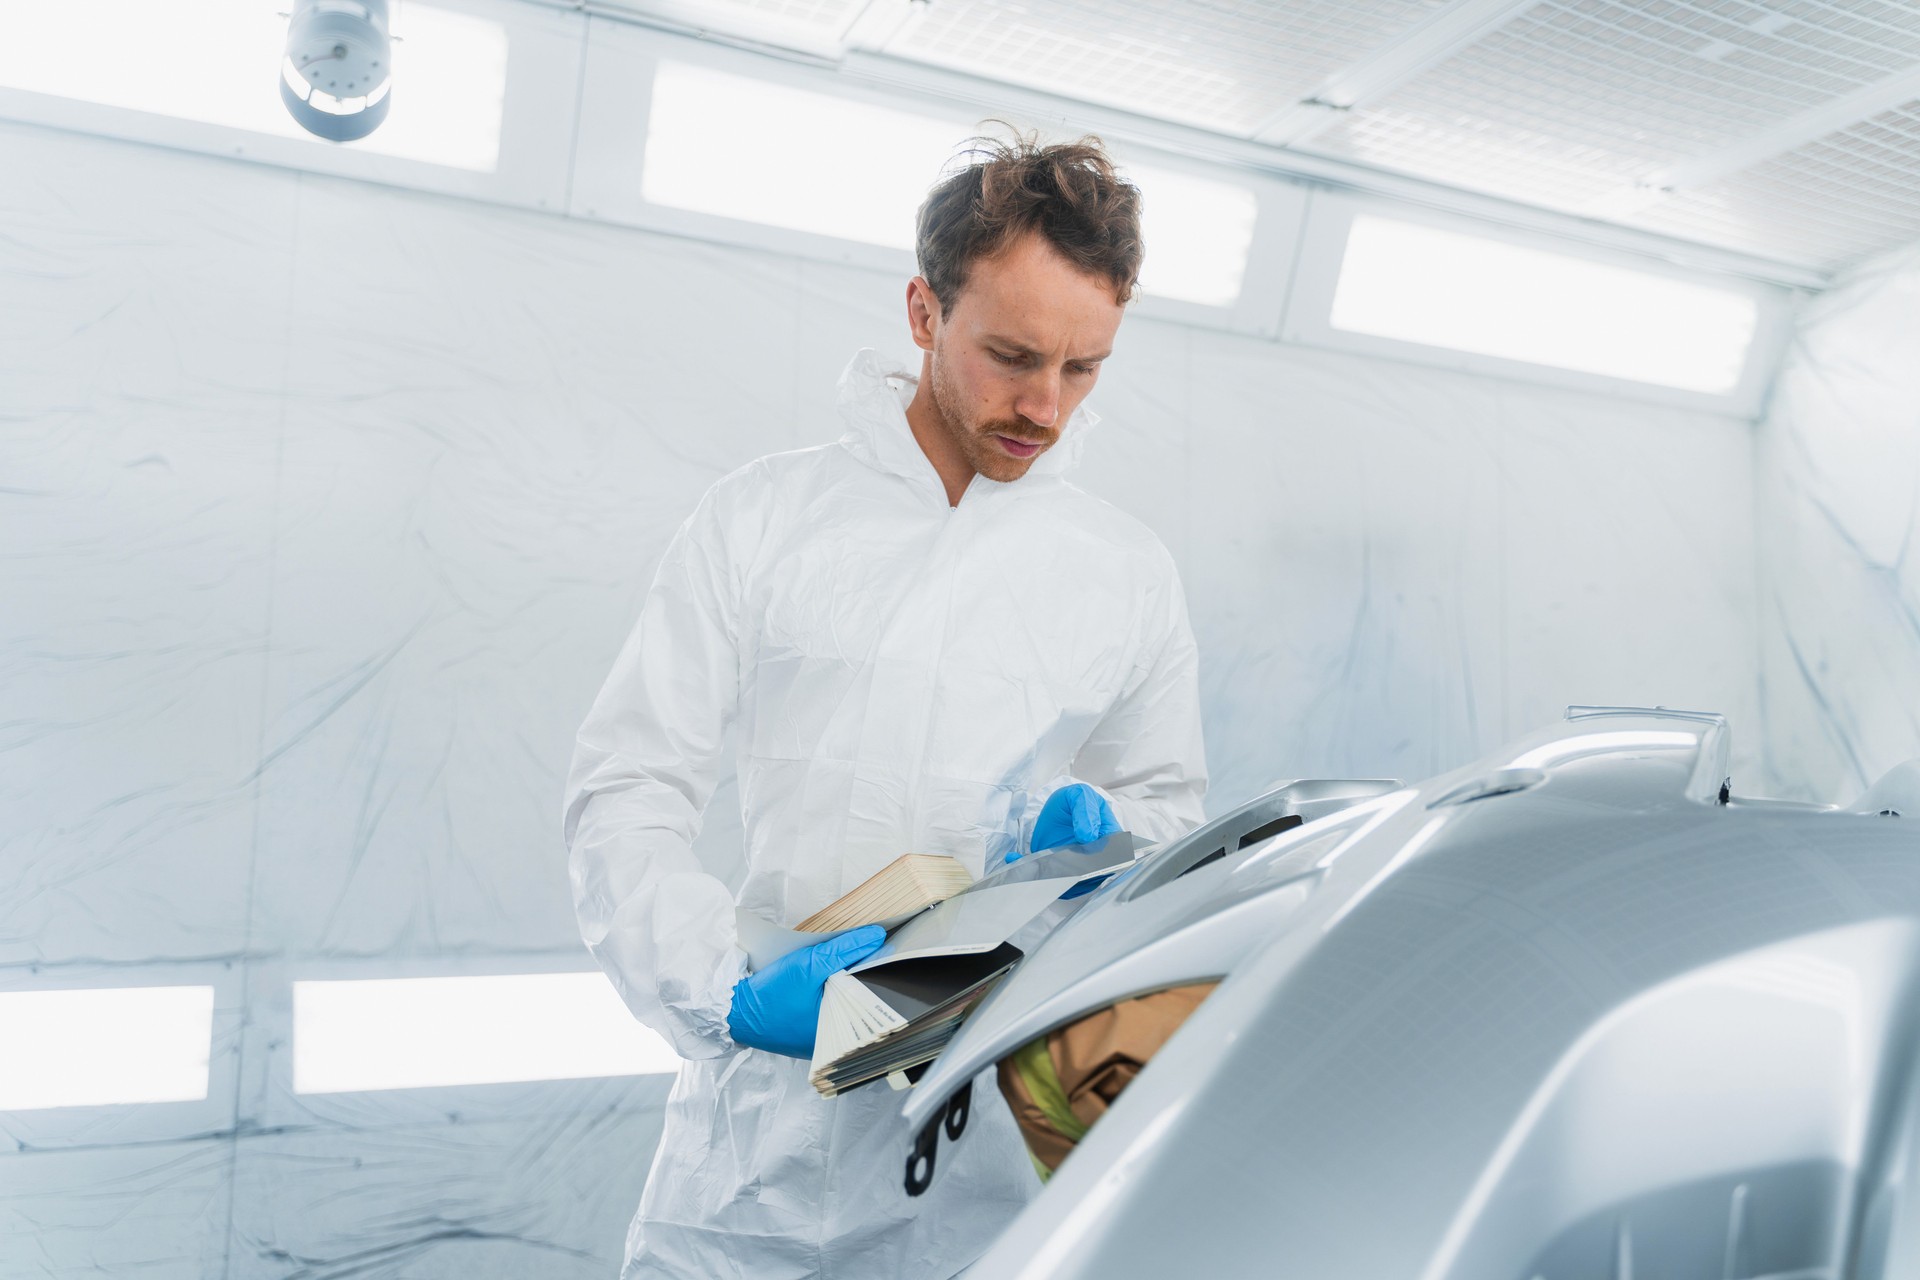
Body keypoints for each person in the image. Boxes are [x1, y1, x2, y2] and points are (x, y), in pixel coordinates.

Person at [564, 133, 1208, 1280]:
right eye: (1012, 355)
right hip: (753, 1159)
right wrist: (726, 993)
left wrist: (1109, 831)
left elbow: (1174, 827)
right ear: (923, 312)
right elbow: (628, 788)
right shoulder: (764, 520)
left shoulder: (1126, 572)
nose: (1045, 406)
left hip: (985, 1167)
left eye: (1084, 368)